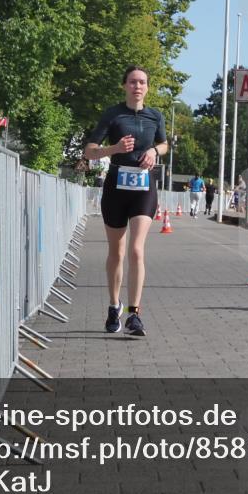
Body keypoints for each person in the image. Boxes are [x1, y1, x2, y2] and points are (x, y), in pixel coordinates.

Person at [83, 66, 167, 336]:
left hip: (143, 187)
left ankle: (134, 314)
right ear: (124, 86)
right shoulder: (113, 114)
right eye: (132, 82)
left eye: (142, 82)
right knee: (116, 253)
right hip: (116, 187)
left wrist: (154, 151)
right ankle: (113, 305)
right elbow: (89, 152)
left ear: (148, 87)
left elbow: (164, 144)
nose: (137, 86)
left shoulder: (155, 116)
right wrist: (115, 148)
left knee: (136, 251)